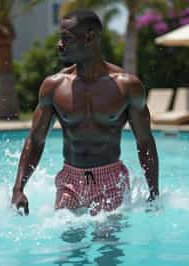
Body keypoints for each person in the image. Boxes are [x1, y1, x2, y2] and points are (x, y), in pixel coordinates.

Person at [11, 9, 159, 216]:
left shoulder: (127, 86)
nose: (59, 44)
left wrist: (154, 192)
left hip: (111, 180)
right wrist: (18, 188)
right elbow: (35, 140)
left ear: (90, 36)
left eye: (66, 38)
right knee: (69, 241)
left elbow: (144, 141)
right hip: (70, 181)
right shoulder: (53, 86)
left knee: (108, 244)